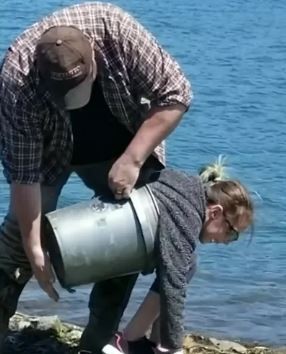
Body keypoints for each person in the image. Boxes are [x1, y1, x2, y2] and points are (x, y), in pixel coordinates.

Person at [0, 2, 191, 353]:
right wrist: (33, 245)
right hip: (50, 153)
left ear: (94, 59)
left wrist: (133, 159)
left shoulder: (117, 32)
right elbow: (23, 172)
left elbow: (176, 94)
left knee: (127, 242)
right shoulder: (16, 78)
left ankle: (95, 345)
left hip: (123, 144)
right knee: (15, 246)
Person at [101, 158, 254, 354]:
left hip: (113, 233)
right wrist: (175, 345)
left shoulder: (187, 188)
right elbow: (174, 286)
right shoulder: (187, 216)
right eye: (231, 233)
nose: (226, 242)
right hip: (103, 242)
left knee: (186, 264)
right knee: (184, 267)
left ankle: (154, 343)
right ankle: (125, 342)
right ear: (215, 212)